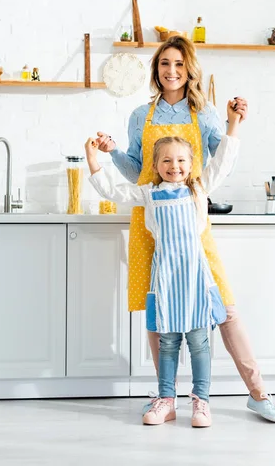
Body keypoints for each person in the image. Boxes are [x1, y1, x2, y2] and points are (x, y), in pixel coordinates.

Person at [94, 36, 275, 423]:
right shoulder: (139, 116)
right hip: (151, 221)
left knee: (223, 307)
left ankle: (258, 391)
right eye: (165, 63)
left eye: (179, 63)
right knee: (157, 310)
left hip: (192, 219)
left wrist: (234, 122)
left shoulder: (206, 114)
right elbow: (137, 169)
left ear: (189, 68)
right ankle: (167, 399)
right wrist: (112, 153)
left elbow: (217, 166)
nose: (172, 71)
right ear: (156, 69)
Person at [85, 100, 240, 427]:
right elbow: (112, 192)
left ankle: (201, 402)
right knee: (167, 341)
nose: (175, 166)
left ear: (191, 163)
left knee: (198, 341)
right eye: (167, 160)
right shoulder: (148, 194)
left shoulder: (198, 189)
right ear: (155, 165)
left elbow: (223, 162)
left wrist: (233, 125)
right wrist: (93, 160)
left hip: (196, 279)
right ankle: (166, 400)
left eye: (182, 160)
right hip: (165, 280)